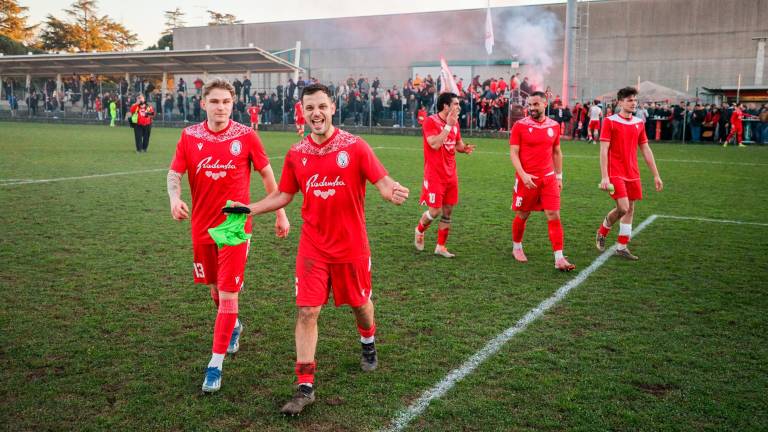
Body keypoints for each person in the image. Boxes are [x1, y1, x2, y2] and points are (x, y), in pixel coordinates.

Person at [229, 83, 409, 415]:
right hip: (313, 248)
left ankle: (368, 341)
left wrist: (390, 191)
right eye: (310, 108)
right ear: (302, 112)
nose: (316, 113)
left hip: (351, 246)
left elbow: (383, 182)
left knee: (360, 305)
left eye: (322, 106)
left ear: (332, 108)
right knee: (307, 311)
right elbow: (284, 194)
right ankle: (305, 386)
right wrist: (249, 209)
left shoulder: (355, 147)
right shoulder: (296, 153)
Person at [166, 78, 290, 393]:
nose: (221, 107)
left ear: (233, 105)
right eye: (215, 101)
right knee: (214, 290)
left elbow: (267, 174)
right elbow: (174, 173)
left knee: (228, 294)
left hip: (235, 228)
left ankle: (215, 365)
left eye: (226, 102)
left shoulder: (246, 136)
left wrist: (280, 212)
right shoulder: (189, 136)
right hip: (201, 227)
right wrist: (174, 198)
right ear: (203, 104)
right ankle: (234, 325)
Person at [509, 91, 575, 271]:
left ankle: (559, 258)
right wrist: (523, 175)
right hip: (527, 179)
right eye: (530, 104)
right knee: (523, 214)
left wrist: (559, 176)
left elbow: (557, 152)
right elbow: (513, 153)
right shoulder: (519, 126)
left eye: (536, 104)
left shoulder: (554, 125)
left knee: (554, 214)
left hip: (549, 179)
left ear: (545, 104)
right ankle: (517, 247)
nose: (532, 108)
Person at [596, 87, 663, 260]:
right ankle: (603, 230)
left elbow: (645, 149)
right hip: (615, 171)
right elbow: (603, 150)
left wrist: (656, 175)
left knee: (630, 208)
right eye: (629, 100)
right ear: (620, 102)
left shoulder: (639, 123)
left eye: (635, 100)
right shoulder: (610, 121)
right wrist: (605, 176)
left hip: (632, 171)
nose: (633, 103)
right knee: (623, 207)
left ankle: (622, 246)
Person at [413, 92, 476, 258]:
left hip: (451, 174)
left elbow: (458, 144)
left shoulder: (455, 123)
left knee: (448, 211)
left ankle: (440, 247)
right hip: (435, 174)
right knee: (435, 211)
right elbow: (434, 144)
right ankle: (419, 230)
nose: (459, 107)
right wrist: (448, 126)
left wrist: (465, 148)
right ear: (446, 106)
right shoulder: (430, 121)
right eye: (456, 104)